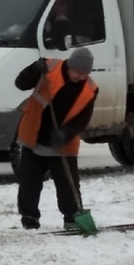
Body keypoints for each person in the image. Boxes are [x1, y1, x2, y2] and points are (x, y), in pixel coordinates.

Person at [14, 47, 98, 232]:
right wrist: (34, 69)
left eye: (85, 74)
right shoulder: (48, 68)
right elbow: (20, 83)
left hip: (63, 142)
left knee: (68, 185)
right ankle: (29, 218)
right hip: (33, 134)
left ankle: (72, 217)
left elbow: (82, 119)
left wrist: (66, 133)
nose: (80, 77)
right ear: (70, 65)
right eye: (78, 72)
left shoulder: (90, 89)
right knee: (29, 182)